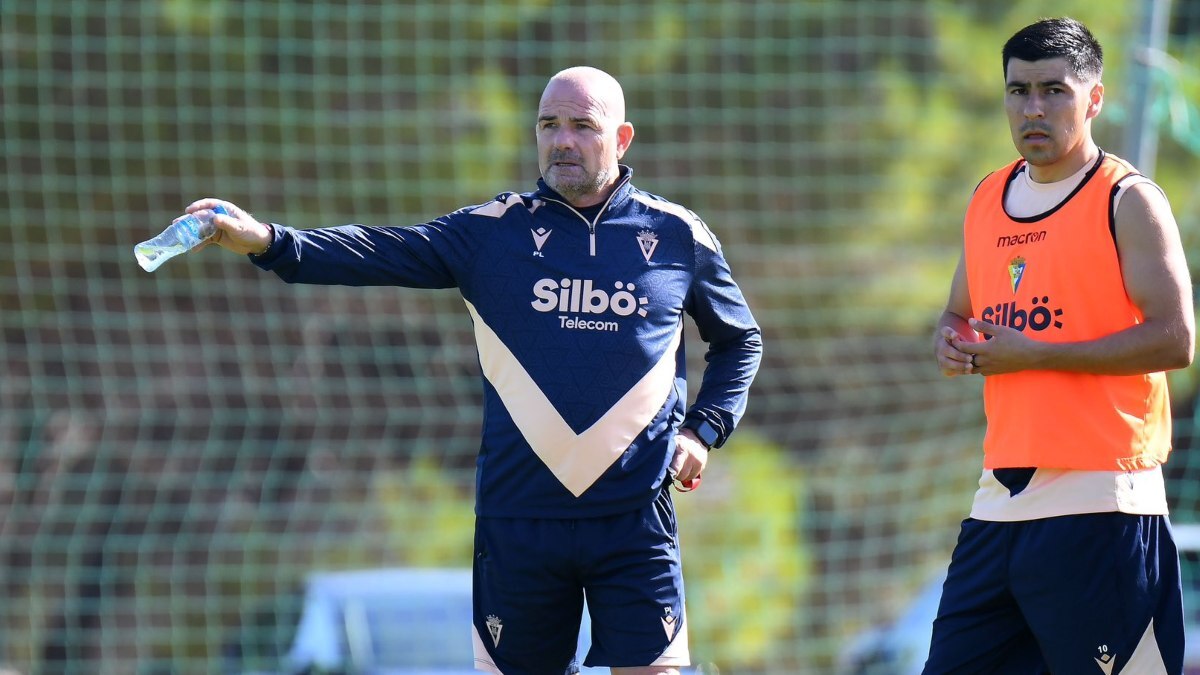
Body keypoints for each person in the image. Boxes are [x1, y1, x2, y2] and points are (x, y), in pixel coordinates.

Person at [185, 66, 762, 675]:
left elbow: (739, 339)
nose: (561, 140)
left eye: (581, 126)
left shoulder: (677, 234)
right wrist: (269, 241)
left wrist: (702, 429)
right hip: (519, 518)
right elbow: (381, 251)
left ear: (621, 139)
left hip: (634, 511)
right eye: (548, 124)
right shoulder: (491, 233)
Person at [929, 17, 1194, 674]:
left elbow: (1176, 337)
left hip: (1103, 506)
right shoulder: (988, 196)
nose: (1033, 108)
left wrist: (1039, 354)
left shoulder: (1128, 199)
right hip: (997, 507)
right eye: (1018, 91)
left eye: (1054, 90)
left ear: (1095, 99)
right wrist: (951, 341)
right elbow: (957, 312)